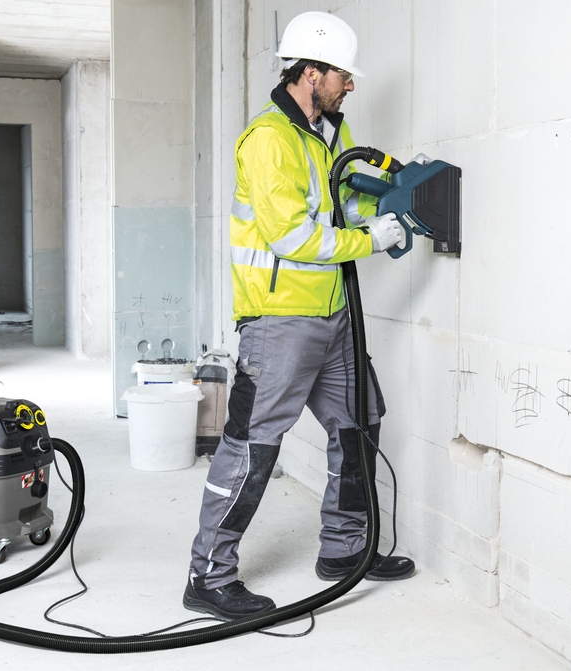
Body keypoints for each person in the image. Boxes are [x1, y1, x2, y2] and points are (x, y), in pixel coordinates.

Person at [183, 11, 414, 620]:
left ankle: (343, 552)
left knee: (361, 421)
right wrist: (372, 239)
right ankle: (208, 575)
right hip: (280, 323)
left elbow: (337, 198)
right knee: (253, 445)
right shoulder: (269, 140)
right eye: (341, 74)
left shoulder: (324, 135)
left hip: (333, 317)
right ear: (310, 73)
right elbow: (291, 236)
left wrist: (391, 193)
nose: (350, 85)